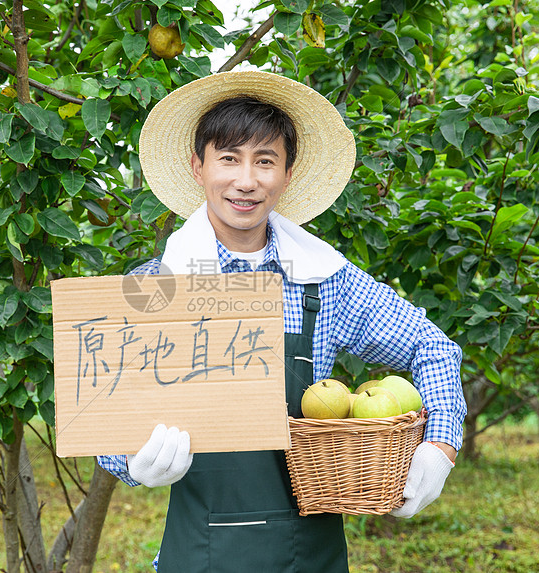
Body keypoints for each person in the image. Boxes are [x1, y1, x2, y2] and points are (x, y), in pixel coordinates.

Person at [97, 70, 466, 572]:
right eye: (228, 158)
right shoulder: (157, 286)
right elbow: (110, 416)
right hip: (198, 553)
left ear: (287, 174)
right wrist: (131, 462)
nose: (246, 181)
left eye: (265, 161)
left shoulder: (324, 280)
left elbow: (433, 348)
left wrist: (438, 449)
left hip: (309, 556)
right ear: (197, 167)